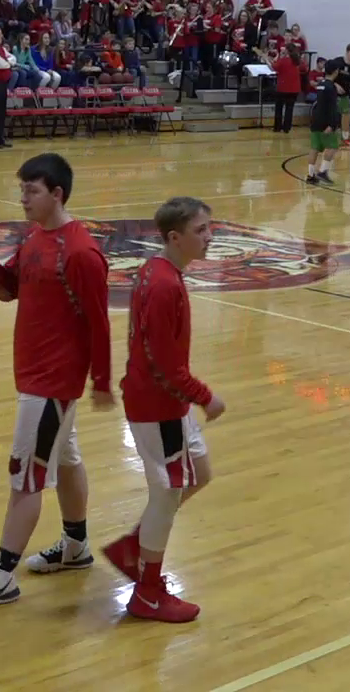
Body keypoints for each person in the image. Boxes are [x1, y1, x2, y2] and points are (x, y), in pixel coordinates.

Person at [0, 154, 113, 611]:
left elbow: (100, 323)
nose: (22, 198)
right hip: (35, 375)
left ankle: (1, 577)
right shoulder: (37, 238)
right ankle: (76, 546)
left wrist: (100, 379)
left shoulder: (81, 252)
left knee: (26, 478)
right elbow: (9, 291)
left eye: (31, 191)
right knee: (65, 459)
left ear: (57, 194)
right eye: (21, 190)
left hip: (52, 381)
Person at [102, 196, 225, 623]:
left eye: (210, 228)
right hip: (158, 405)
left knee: (200, 474)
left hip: (166, 402)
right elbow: (166, 366)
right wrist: (206, 397)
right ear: (175, 237)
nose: (210, 237)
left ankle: (135, 547)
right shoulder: (163, 285)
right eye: (201, 230)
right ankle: (147, 592)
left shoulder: (159, 271)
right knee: (168, 491)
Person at [305, 59, 341, 184]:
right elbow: (332, 107)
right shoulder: (331, 87)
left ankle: (310, 175)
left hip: (315, 119)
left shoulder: (320, 84)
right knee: (333, 147)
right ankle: (323, 171)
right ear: (336, 71)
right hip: (325, 122)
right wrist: (332, 124)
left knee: (314, 148)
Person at [271, 45, 301, 133]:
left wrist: (267, 60)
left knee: (279, 108)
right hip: (294, 89)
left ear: (287, 51)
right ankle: (287, 128)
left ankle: (277, 127)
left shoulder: (284, 60)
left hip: (283, 88)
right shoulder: (297, 61)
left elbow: (274, 67)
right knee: (289, 109)